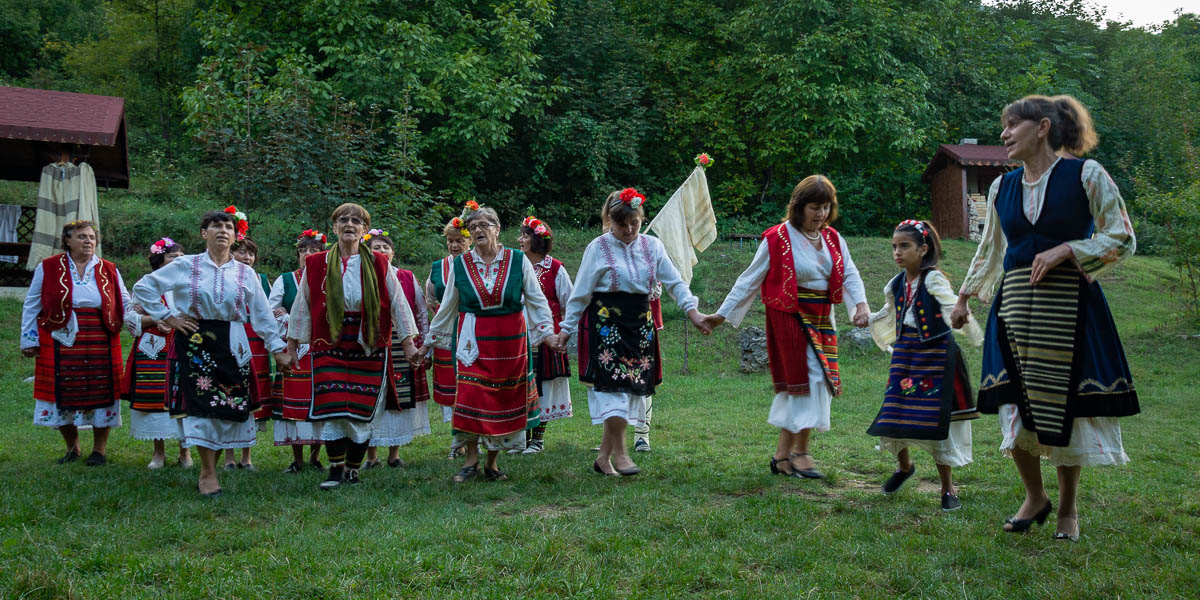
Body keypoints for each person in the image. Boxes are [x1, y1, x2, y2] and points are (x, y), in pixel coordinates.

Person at [950, 95, 1139, 542]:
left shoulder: (1086, 175)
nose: (1003, 134)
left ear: (1042, 127)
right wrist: (964, 296)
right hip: (1014, 309)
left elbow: (1123, 237)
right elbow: (991, 249)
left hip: (1071, 308)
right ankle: (1035, 496)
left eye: (1011, 125)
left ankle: (1068, 509)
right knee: (1014, 402)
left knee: (1066, 405)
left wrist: (1069, 248)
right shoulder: (1003, 187)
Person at [705, 176, 869, 479]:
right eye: (813, 207)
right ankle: (800, 453)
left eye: (825, 207)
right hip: (790, 317)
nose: (820, 214)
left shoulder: (833, 238)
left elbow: (850, 274)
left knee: (817, 382)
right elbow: (749, 279)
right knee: (807, 380)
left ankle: (782, 456)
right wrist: (721, 314)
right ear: (798, 206)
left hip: (822, 318)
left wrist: (859, 304)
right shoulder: (778, 237)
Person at [550, 188, 711, 476]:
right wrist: (566, 330)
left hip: (640, 329)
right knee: (614, 391)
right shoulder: (597, 248)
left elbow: (674, 283)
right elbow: (580, 294)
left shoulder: (653, 247)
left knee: (630, 390)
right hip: (607, 328)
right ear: (609, 221)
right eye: (621, 224)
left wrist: (693, 311)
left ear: (641, 218)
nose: (628, 230)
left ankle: (603, 457)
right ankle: (622, 454)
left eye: (634, 223)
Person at [132, 207, 293, 496]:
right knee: (202, 407)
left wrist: (278, 349)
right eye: (216, 226)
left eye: (228, 227)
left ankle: (211, 468)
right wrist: (167, 316)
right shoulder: (186, 265)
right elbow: (144, 287)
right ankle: (207, 473)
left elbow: (262, 315)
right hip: (195, 341)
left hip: (233, 341)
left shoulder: (246, 273)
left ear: (235, 235)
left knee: (227, 406)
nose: (223, 231)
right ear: (204, 234)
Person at [287, 203, 420, 490]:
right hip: (329, 342)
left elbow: (399, 304)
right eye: (343, 220)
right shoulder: (316, 263)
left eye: (356, 221)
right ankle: (335, 469)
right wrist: (291, 345)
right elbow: (302, 306)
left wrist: (409, 344)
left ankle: (352, 470)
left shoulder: (379, 263)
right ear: (334, 228)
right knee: (333, 408)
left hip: (368, 342)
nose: (349, 224)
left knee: (362, 408)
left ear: (363, 230)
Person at [424, 201, 555, 482]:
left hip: (510, 341)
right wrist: (428, 342)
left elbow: (535, 298)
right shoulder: (460, 265)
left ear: (497, 229)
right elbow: (447, 306)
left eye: (484, 225)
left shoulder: (518, 261)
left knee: (503, 397)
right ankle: (470, 461)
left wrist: (547, 333)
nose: (478, 230)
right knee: (471, 396)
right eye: (473, 227)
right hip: (473, 340)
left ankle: (492, 463)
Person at [866, 220, 983, 511]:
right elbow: (889, 313)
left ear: (923, 249)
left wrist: (968, 323)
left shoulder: (933, 279)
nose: (897, 252)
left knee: (935, 422)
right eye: (894, 246)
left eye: (904, 246)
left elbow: (951, 303)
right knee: (894, 414)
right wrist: (867, 318)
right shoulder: (895, 284)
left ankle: (947, 487)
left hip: (936, 357)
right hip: (905, 356)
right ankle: (905, 468)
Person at [21, 220, 130, 466]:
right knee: (61, 390)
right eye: (81, 237)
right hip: (59, 336)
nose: (88, 241)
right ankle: (73, 447)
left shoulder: (108, 268)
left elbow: (125, 299)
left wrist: (140, 323)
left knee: (103, 390)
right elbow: (32, 303)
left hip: (101, 335)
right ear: (67, 241)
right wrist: (28, 339)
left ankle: (99, 450)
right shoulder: (48, 267)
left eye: (92, 237)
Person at [363, 228, 432, 468]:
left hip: (402, 342)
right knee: (372, 395)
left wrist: (424, 345)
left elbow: (421, 312)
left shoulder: (406, 276)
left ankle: (395, 453)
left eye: (386, 247)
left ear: (393, 252)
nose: (381, 251)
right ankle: (371, 456)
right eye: (376, 247)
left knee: (399, 395)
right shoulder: (362, 275)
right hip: (372, 342)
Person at [123, 237, 192, 469]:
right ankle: (159, 452)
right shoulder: (146, 283)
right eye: (173, 256)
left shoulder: (190, 282)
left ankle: (186, 452)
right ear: (159, 259)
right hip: (153, 348)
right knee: (154, 398)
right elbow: (130, 317)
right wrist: (155, 319)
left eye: (182, 257)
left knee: (184, 395)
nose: (179, 261)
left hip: (184, 343)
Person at [511, 215, 574, 455]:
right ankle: (522, 439)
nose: (520, 239)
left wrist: (562, 331)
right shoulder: (516, 266)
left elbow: (569, 299)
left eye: (525, 235)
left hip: (546, 336)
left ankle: (537, 439)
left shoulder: (554, 268)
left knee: (543, 385)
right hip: (519, 336)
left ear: (537, 240)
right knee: (521, 385)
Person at [267, 229, 326, 473]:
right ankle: (297, 458)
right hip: (292, 346)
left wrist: (291, 317)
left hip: (320, 346)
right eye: (303, 251)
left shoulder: (328, 278)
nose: (307, 254)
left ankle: (315, 457)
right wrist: (292, 320)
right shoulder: (286, 279)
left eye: (313, 250)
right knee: (294, 400)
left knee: (320, 399)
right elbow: (271, 310)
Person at [224, 234, 273, 471]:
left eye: (251, 253)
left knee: (250, 393)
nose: (247, 257)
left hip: (255, 342)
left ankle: (247, 456)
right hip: (229, 337)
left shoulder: (261, 279)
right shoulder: (222, 276)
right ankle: (228, 457)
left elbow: (268, 311)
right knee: (227, 392)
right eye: (241, 252)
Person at [425, 217, 472, 458]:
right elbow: (430, 298)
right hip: (446, 334)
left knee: (471, 385)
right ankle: (457, 440)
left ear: (470, 240)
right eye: (450, 241)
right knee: (453, 388)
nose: (454, 245)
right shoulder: (437, 267)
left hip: (472, 332)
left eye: (459, 241)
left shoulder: (476, 263)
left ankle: (474, 435)